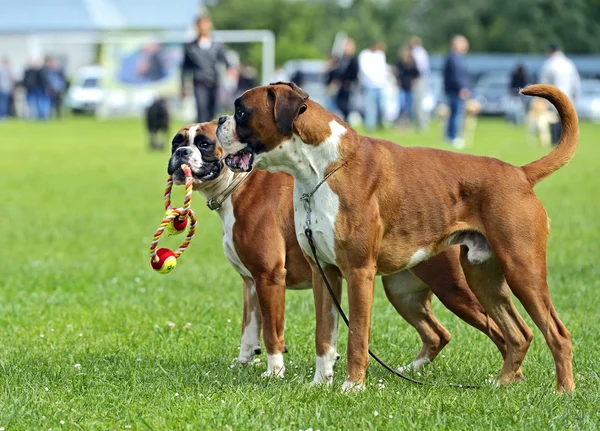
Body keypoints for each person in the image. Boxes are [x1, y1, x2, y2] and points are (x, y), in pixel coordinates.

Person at [181, 16, 231, 123]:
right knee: (201, 109)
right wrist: (183, 87)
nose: (203, 27)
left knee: (214, 110)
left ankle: (212, 136)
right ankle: (202, 136)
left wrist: (230, 71)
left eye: (206, 24)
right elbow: (185, 68)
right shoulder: (190, 46)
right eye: (201, 24)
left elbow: (225, 60)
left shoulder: (217, 45)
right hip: (199, 81)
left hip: (214, 80)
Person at [539, 44, 581, 145]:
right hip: (568, 96)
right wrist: (575, 97)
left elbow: (543, 82)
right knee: (565, 119)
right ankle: (565, 141)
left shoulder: (549, 64)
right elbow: (576, 82)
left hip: (554, 96)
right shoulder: (569, 63)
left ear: (550, 51)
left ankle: (555, 140)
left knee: (554, 118)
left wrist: (543, 97)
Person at [443, 35, 471, 148]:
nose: (466, 47)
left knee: (454, 114)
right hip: (456, 90)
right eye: (464, 44)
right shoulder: (454, 58)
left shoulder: (453, 57)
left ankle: (450, 136)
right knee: (456, 114)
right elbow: (456, 76)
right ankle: (453, 137)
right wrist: (462, 88)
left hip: (454, 90)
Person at [358, 41, 388, 132]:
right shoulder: (364, 55)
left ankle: (380, 125)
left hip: (380, 85)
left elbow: (383, 68)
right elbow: (364, 69)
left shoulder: (380, 55)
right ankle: (370, 126)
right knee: (370, 108)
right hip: (369, 85)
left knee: (380, 107)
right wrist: (374, 78)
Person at [328, 38, 359, 123]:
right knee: (336, 104)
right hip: (338, 86)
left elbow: (354, 73)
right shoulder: (339, 59)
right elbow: (334, 71)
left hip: (347, 87)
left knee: (345, 105)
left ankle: (346, 120)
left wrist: (348, 82)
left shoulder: (353, 60)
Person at [395, 45, 420, 127]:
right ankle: (399, 123)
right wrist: (397, 81)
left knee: (409, 107)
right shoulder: (400, 62)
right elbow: (397, 73)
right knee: (401, 106)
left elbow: (417, 74)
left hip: (409, 86)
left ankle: (408, 124)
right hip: (402, 87)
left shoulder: (412, 62)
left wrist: (414, 83)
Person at [409, 36, 430, 131]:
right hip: (420, 79)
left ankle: (421, 125)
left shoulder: (417, 53)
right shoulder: (421, 52)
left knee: (418, 103)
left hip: (419, 79)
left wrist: (415, 79)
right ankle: (420, 124)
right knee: (418, 103)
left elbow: (420, 68)